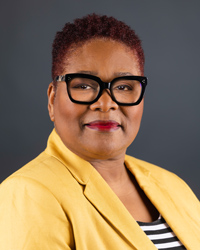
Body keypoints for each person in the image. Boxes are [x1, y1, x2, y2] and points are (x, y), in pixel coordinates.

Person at [0, 14, 199, 250]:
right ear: (53, 100)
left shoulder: (173, 186)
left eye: (124, 87)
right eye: (84, 85)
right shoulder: (28, 194)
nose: (105, 104)